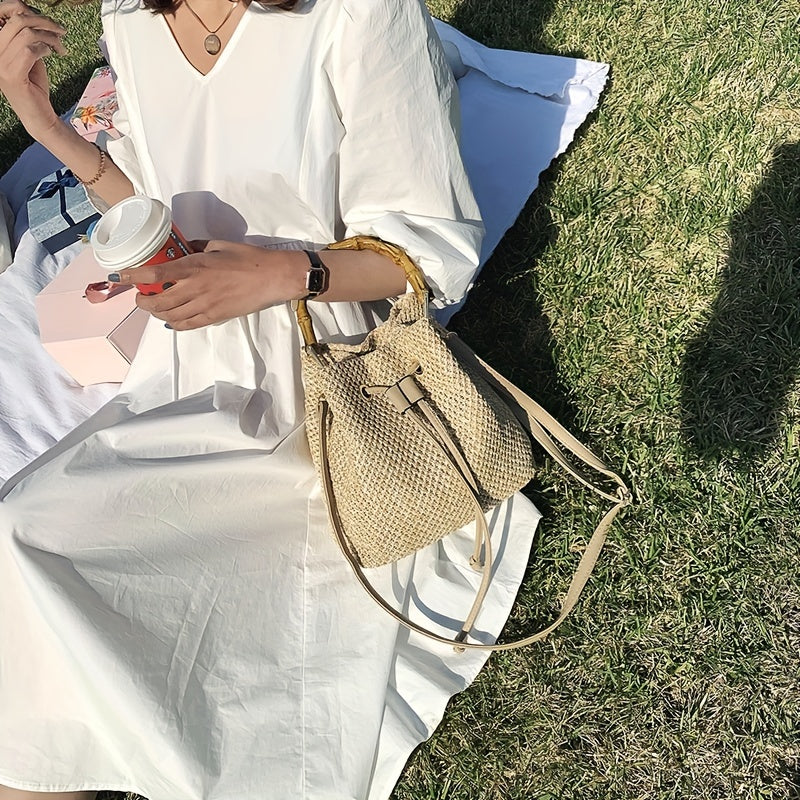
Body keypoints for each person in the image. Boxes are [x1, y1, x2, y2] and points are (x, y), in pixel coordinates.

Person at [0, 0, 541, 798]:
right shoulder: (132, 16)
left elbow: (431, 251)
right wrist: (44, 124)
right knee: (24, 539)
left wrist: (282, 273)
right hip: (184, 367)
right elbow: (146, 202)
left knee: (31, 546)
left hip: (323, 381)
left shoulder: (361, 14)